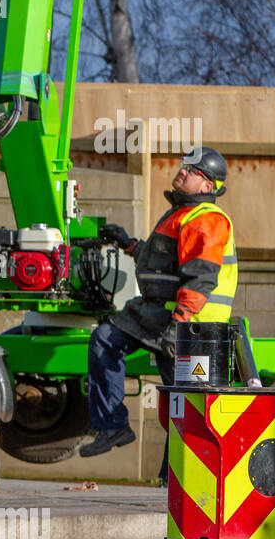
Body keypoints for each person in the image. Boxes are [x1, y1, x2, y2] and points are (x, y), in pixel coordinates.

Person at [81, 146, 236, 476]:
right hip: (159, 316)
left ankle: (174, 480)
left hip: (194, 328)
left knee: (186, 406)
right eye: (184, 166)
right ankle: (112, 426)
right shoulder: (180, 214)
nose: (182, 171)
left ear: (207, 186)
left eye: (192, 170)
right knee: (105, 339)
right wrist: (130, 245)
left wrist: (178, 324)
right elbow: (163, 268)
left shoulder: (206, 220)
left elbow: (200, 278)